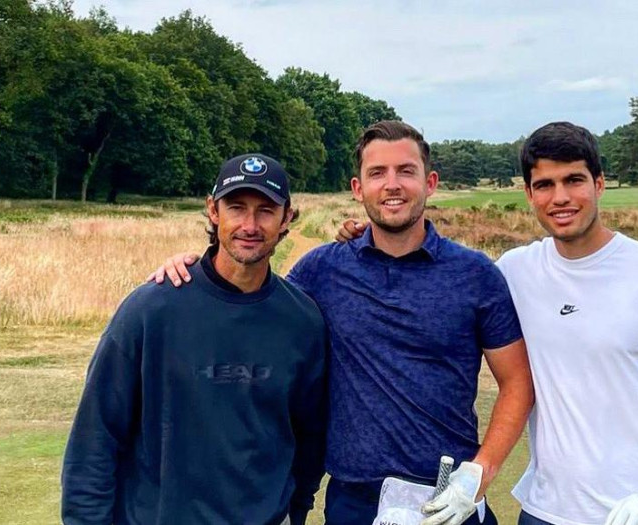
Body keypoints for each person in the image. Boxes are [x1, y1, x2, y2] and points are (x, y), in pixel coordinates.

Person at [339, 121, 638, 525]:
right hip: (544, 511)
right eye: (545, 184)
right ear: (529, 193)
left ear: (599, 184)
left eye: (574, 180)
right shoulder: (516, 271)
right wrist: (359, 237)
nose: (561, 197)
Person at [150, 121, 535, 525]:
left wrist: (479, 473)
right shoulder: (322, 270)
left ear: (430, 182)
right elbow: (252, 302)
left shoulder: (475, 275)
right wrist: (196, 269)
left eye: (406, 171)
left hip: (449, 496)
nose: (392, 185)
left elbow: (516, 383)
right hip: (353, 501)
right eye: (377, 173)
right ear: (357, 188)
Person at [62, 154, 328, 525]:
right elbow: (95, 440)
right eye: (236, 208)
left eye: (266, 211)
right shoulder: (150, 309)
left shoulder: (303, 320)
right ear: (213, 210)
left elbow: (310, 439)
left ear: (287, 219)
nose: (249, 225)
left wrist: (296, 511)